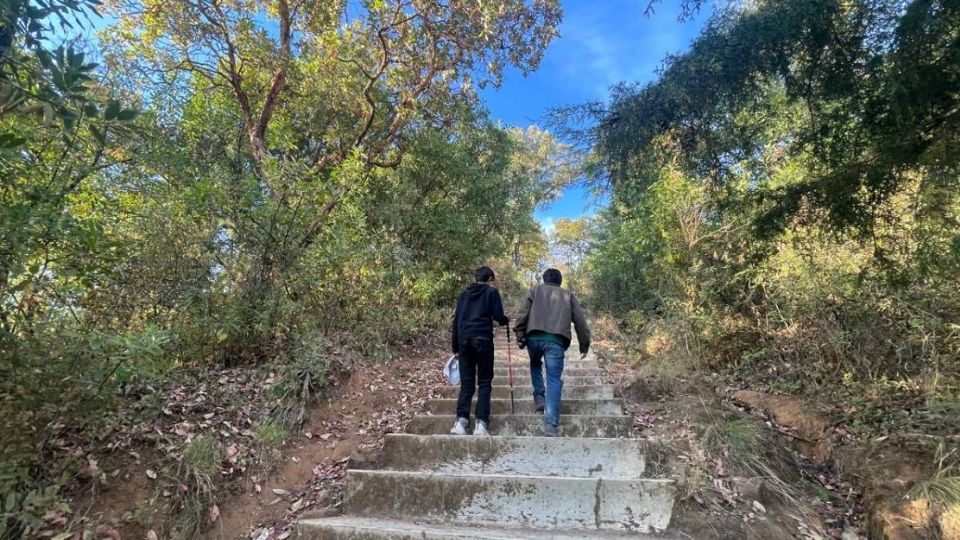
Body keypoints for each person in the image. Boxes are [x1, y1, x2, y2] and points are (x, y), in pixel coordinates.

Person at [513, 268, 591, 436]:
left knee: (535, 363)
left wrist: (520, 333)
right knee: (554, 378)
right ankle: (551, 424)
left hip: (533, 338)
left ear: (544, 279)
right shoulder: (568, 295)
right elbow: (580, 320)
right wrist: (584, 344)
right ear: (560, 281)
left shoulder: (535, 290)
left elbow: (523, 313)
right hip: (556, 341)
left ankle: (539, 397)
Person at [450, 266, 509, 436]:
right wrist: (505, 320)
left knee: (467, 383)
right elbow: (498, 316)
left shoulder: (463, 295)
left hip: (464, 340)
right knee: (484, 382)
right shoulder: (491, 293)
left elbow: (457, 321)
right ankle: (481, 424)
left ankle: (461, 422)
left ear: (475, 278)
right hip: (483, 339)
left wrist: (455, 346)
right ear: (490, 279)